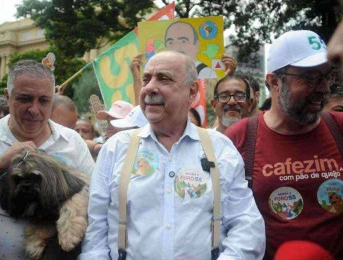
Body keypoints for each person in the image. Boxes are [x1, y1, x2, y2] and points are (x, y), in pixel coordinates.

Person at [80, 51, 265, 259]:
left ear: (192, 91)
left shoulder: (220, 148)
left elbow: (246, 224)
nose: (149, 87)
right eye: (146, 79)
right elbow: (95, 233)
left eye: (164, 78)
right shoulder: (115, 148)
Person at [225, 30, 343, 259]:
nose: (324, 89)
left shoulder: (340, 128)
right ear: (274, 82)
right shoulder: (237, 138)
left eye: (326, 76)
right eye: (310, 78)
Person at [0, 60, 95, 259]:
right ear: (8, 97)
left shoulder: (71, 142)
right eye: (25, 99)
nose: (34, 109)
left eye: (44, 101)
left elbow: (97, 201)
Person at [164, 21, 237, 79]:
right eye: (171, 42)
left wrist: (225, 77)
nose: (177, 47)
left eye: (183, 41)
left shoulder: (206, 72)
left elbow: (211, 93)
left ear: (196, 45)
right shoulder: (161, 73)